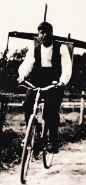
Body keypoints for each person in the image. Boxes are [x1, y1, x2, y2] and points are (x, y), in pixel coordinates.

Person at [17, 22, 72, 153]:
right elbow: (27, 65)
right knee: (28, 104)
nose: (45, 35)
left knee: (50, 111)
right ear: (38, 34)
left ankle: (53, 141)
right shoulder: (35, 49)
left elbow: (66, 67)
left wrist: (62, 82)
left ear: (52, 33)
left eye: (47, 32)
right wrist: (22, 75)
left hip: (54, 83)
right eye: (42, 32)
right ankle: (33, 132)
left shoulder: (61, 48)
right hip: (38, 82)